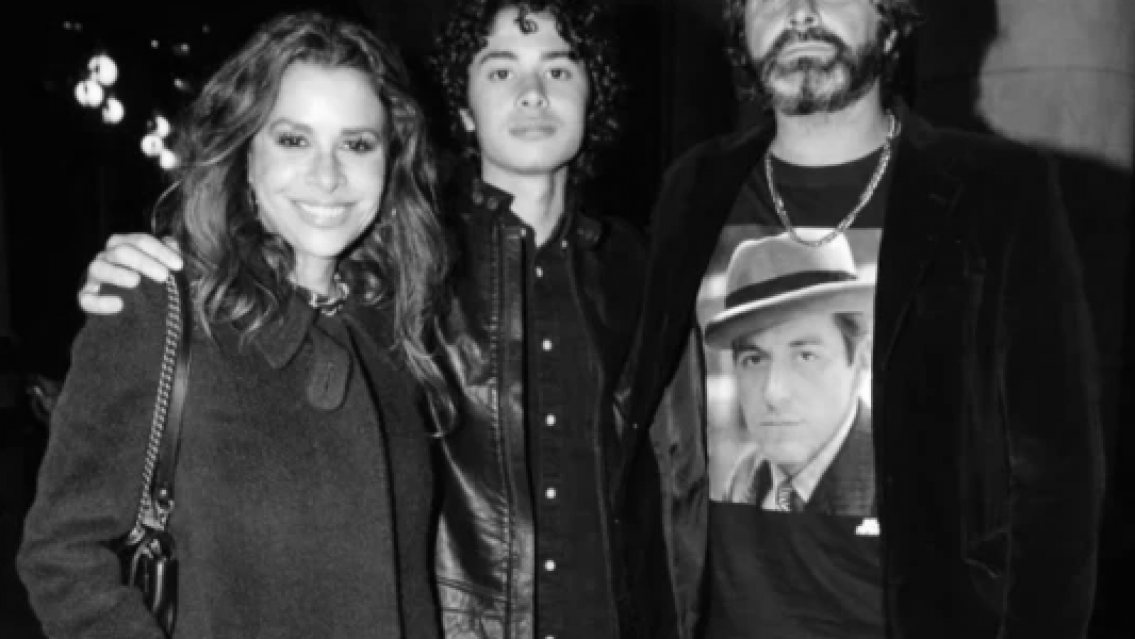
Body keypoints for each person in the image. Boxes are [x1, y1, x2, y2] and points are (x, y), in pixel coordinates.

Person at [74, 2, 671, 638]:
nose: (532, 94)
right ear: (462, 108)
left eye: (558, 70)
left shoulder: (643, 269)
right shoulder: (404, 270)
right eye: (501, 71)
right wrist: (164, 276)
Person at [625, 0, 1105, 638]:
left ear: (890, 19)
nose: (799, 12)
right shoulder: (694, 187)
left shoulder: (1000, 192)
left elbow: (1058, 482)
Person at [19, 12, 450, 639]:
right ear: (245, 155)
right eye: (294, 140)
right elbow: (62, 556)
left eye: (357, 144)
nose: (327, 176)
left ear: (391, 162)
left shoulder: (396, 330)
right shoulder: (161, 308)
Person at [708, 234, 875, 517]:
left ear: (860, 360)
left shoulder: (901, 483)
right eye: (754, 359)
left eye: (805, 356)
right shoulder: (743, 479)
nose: (774, 393)